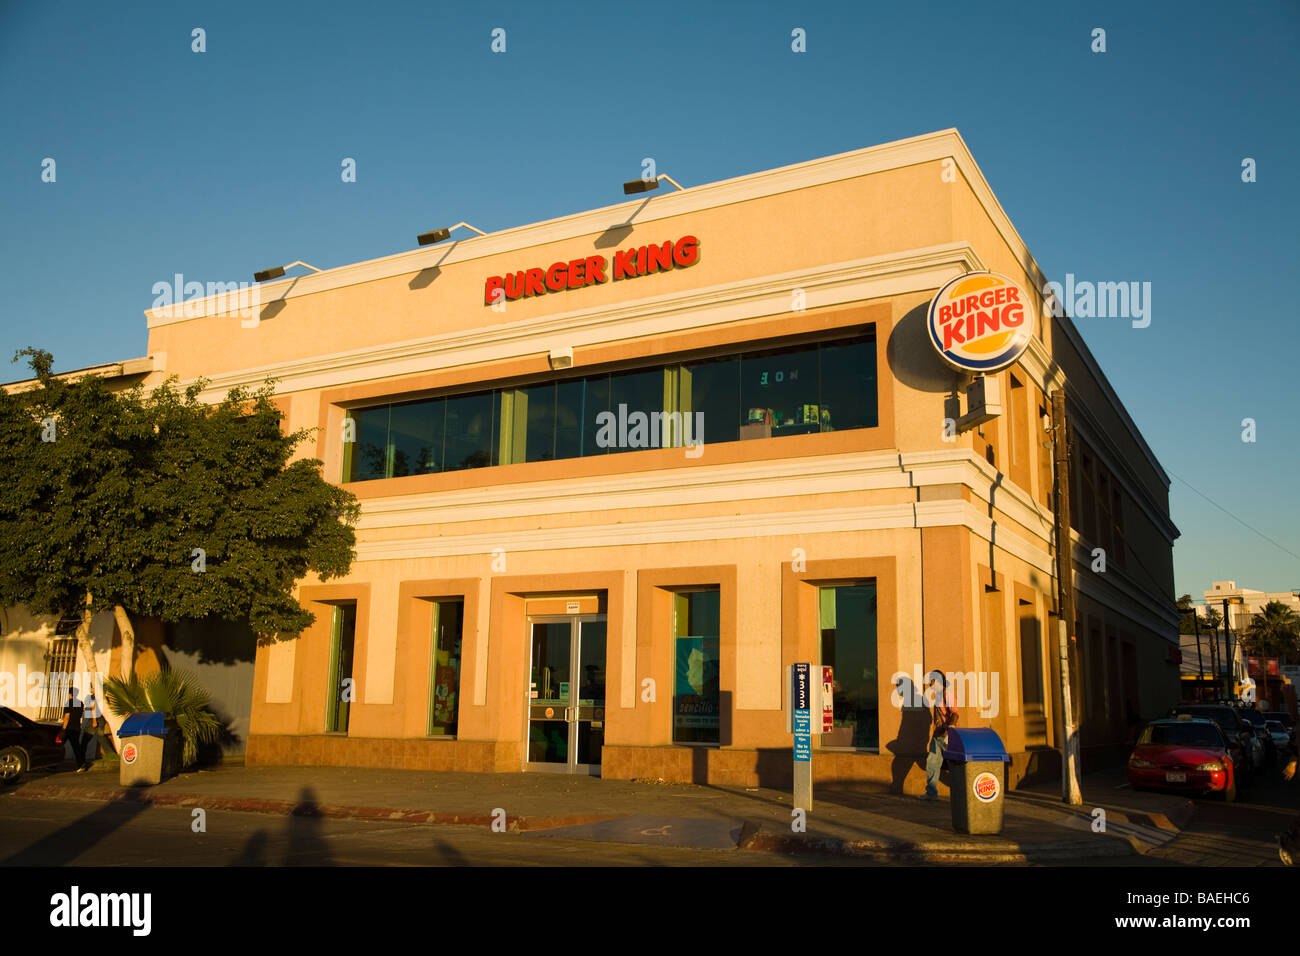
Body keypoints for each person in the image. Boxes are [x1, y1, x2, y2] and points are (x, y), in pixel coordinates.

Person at [922, 669, 958, 799]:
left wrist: (951, 729)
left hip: (947, 736)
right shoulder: (938, 695)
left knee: (955, 764)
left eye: (931, 680)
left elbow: (955, 713)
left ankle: (960, 791)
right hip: (938, 735)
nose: (929, 683)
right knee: (932, 763)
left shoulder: (947, 694)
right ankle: (931, 793)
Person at [81, 688, 114, 771]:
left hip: (94, 720)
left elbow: (93, 708)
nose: (91, 689)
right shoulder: (100, 697)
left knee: (85, 739)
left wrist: (94, 721)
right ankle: (111, 754)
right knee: (101, 738)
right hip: (99, 720)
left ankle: (81, 758)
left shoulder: (93, 697)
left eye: (92, 687)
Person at [59, 687, 86, 771]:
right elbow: (80, 715)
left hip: (68, 728)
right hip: (77, 728)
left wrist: (63, 729)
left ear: (70, 694)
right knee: (76, 747)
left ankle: (51, 764)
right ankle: (81, 764)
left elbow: (67, 716)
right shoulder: (80, 703)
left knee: (58, 744)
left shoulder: (68, 703)